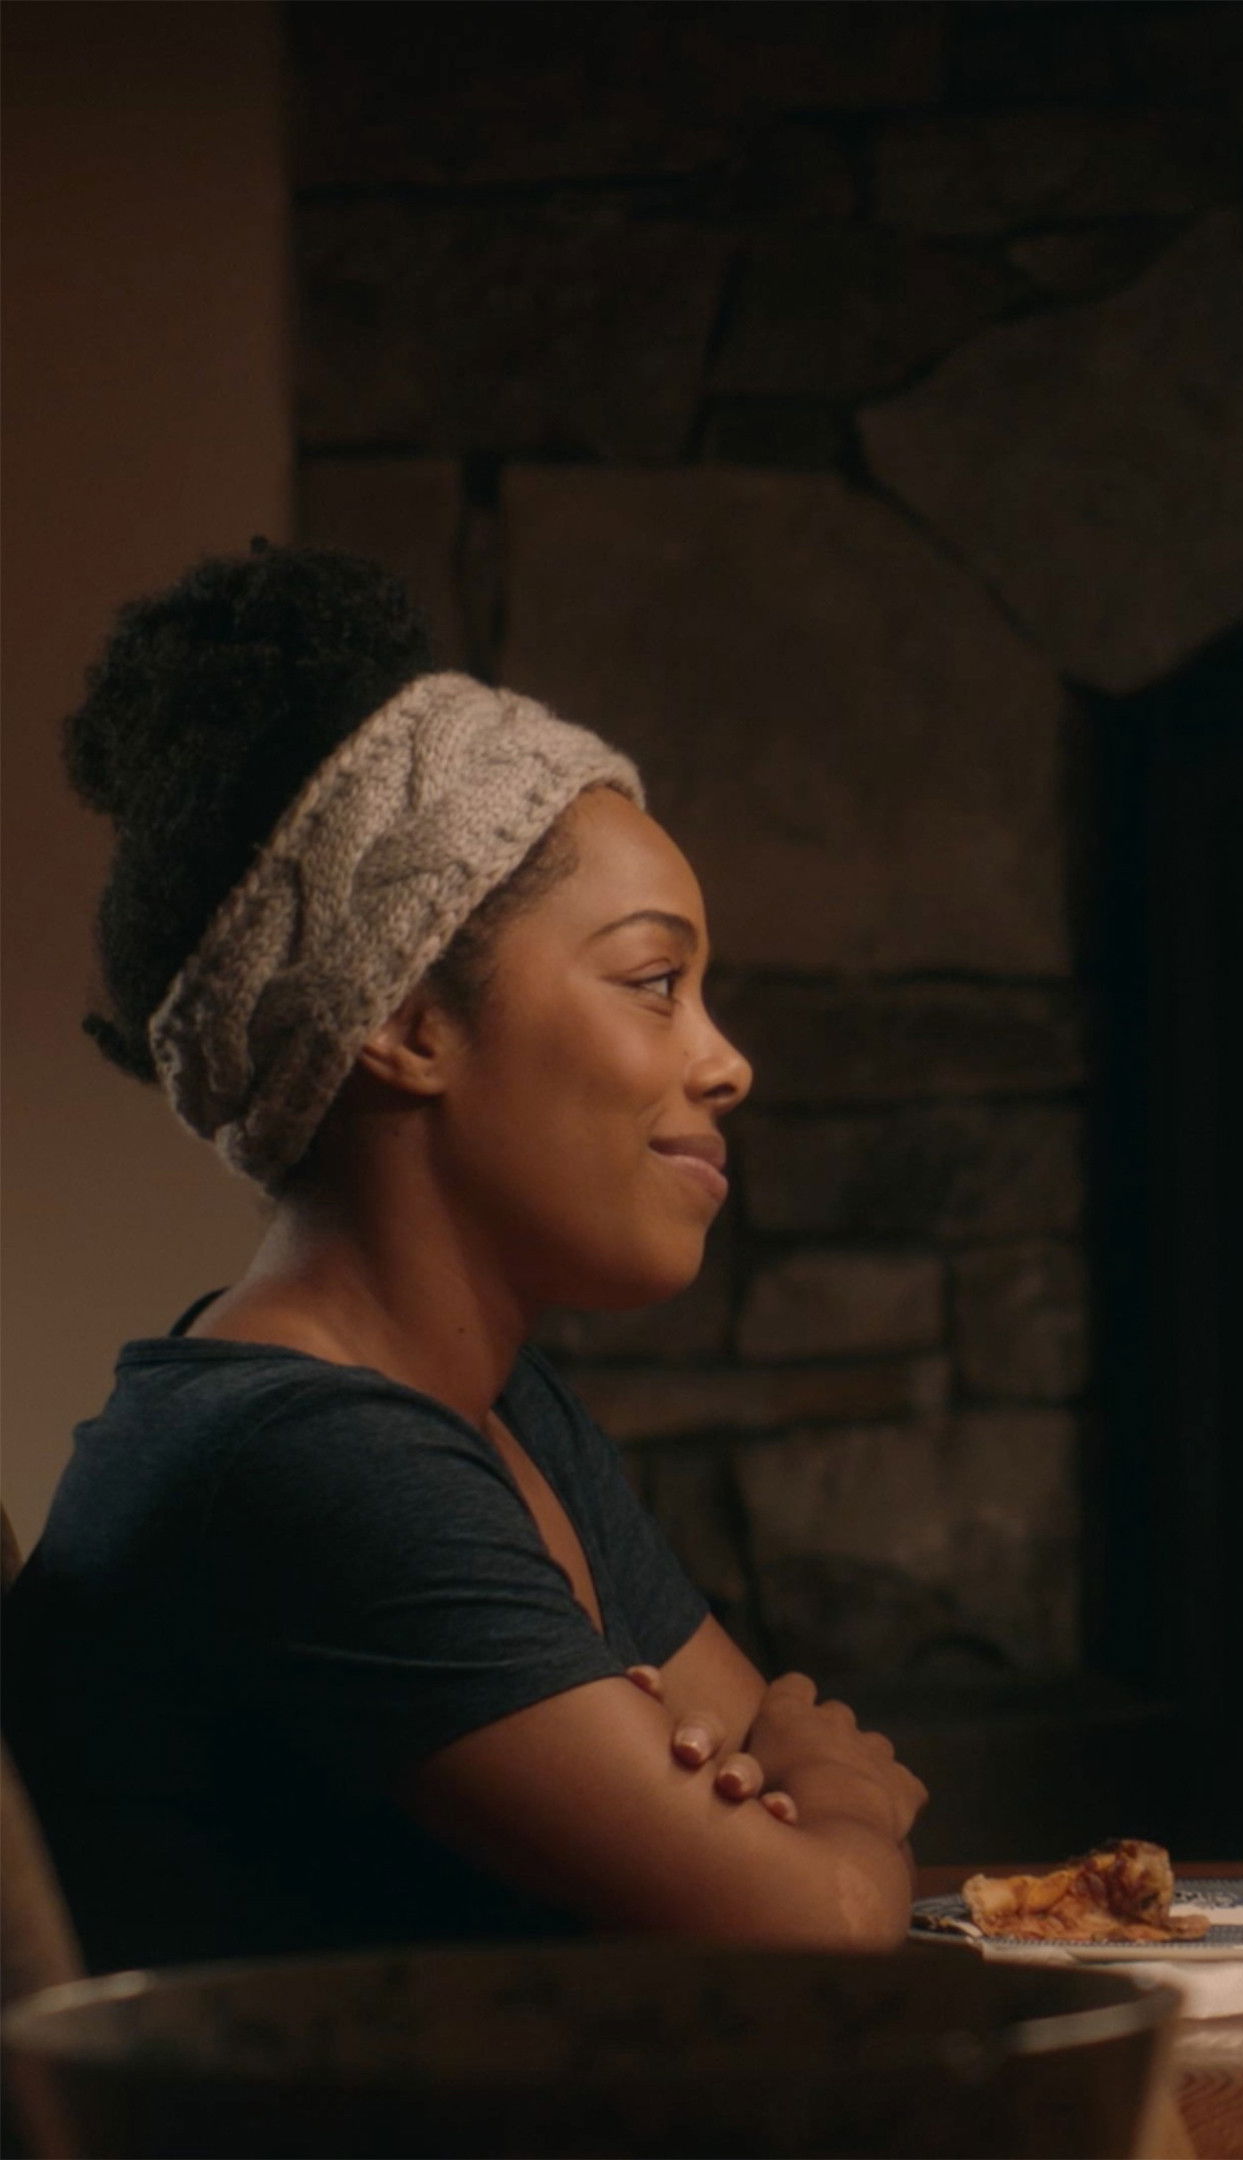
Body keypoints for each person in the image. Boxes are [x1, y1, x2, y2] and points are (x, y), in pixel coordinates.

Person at [1, 547, 930, 1971]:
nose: (727, 1061)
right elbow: (816, 1930)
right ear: (406, 1023)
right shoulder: (308, 1464)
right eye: (654, 983)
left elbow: (747, 1757)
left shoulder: (491, 1412)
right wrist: (848, 1797)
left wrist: (785, 1811)